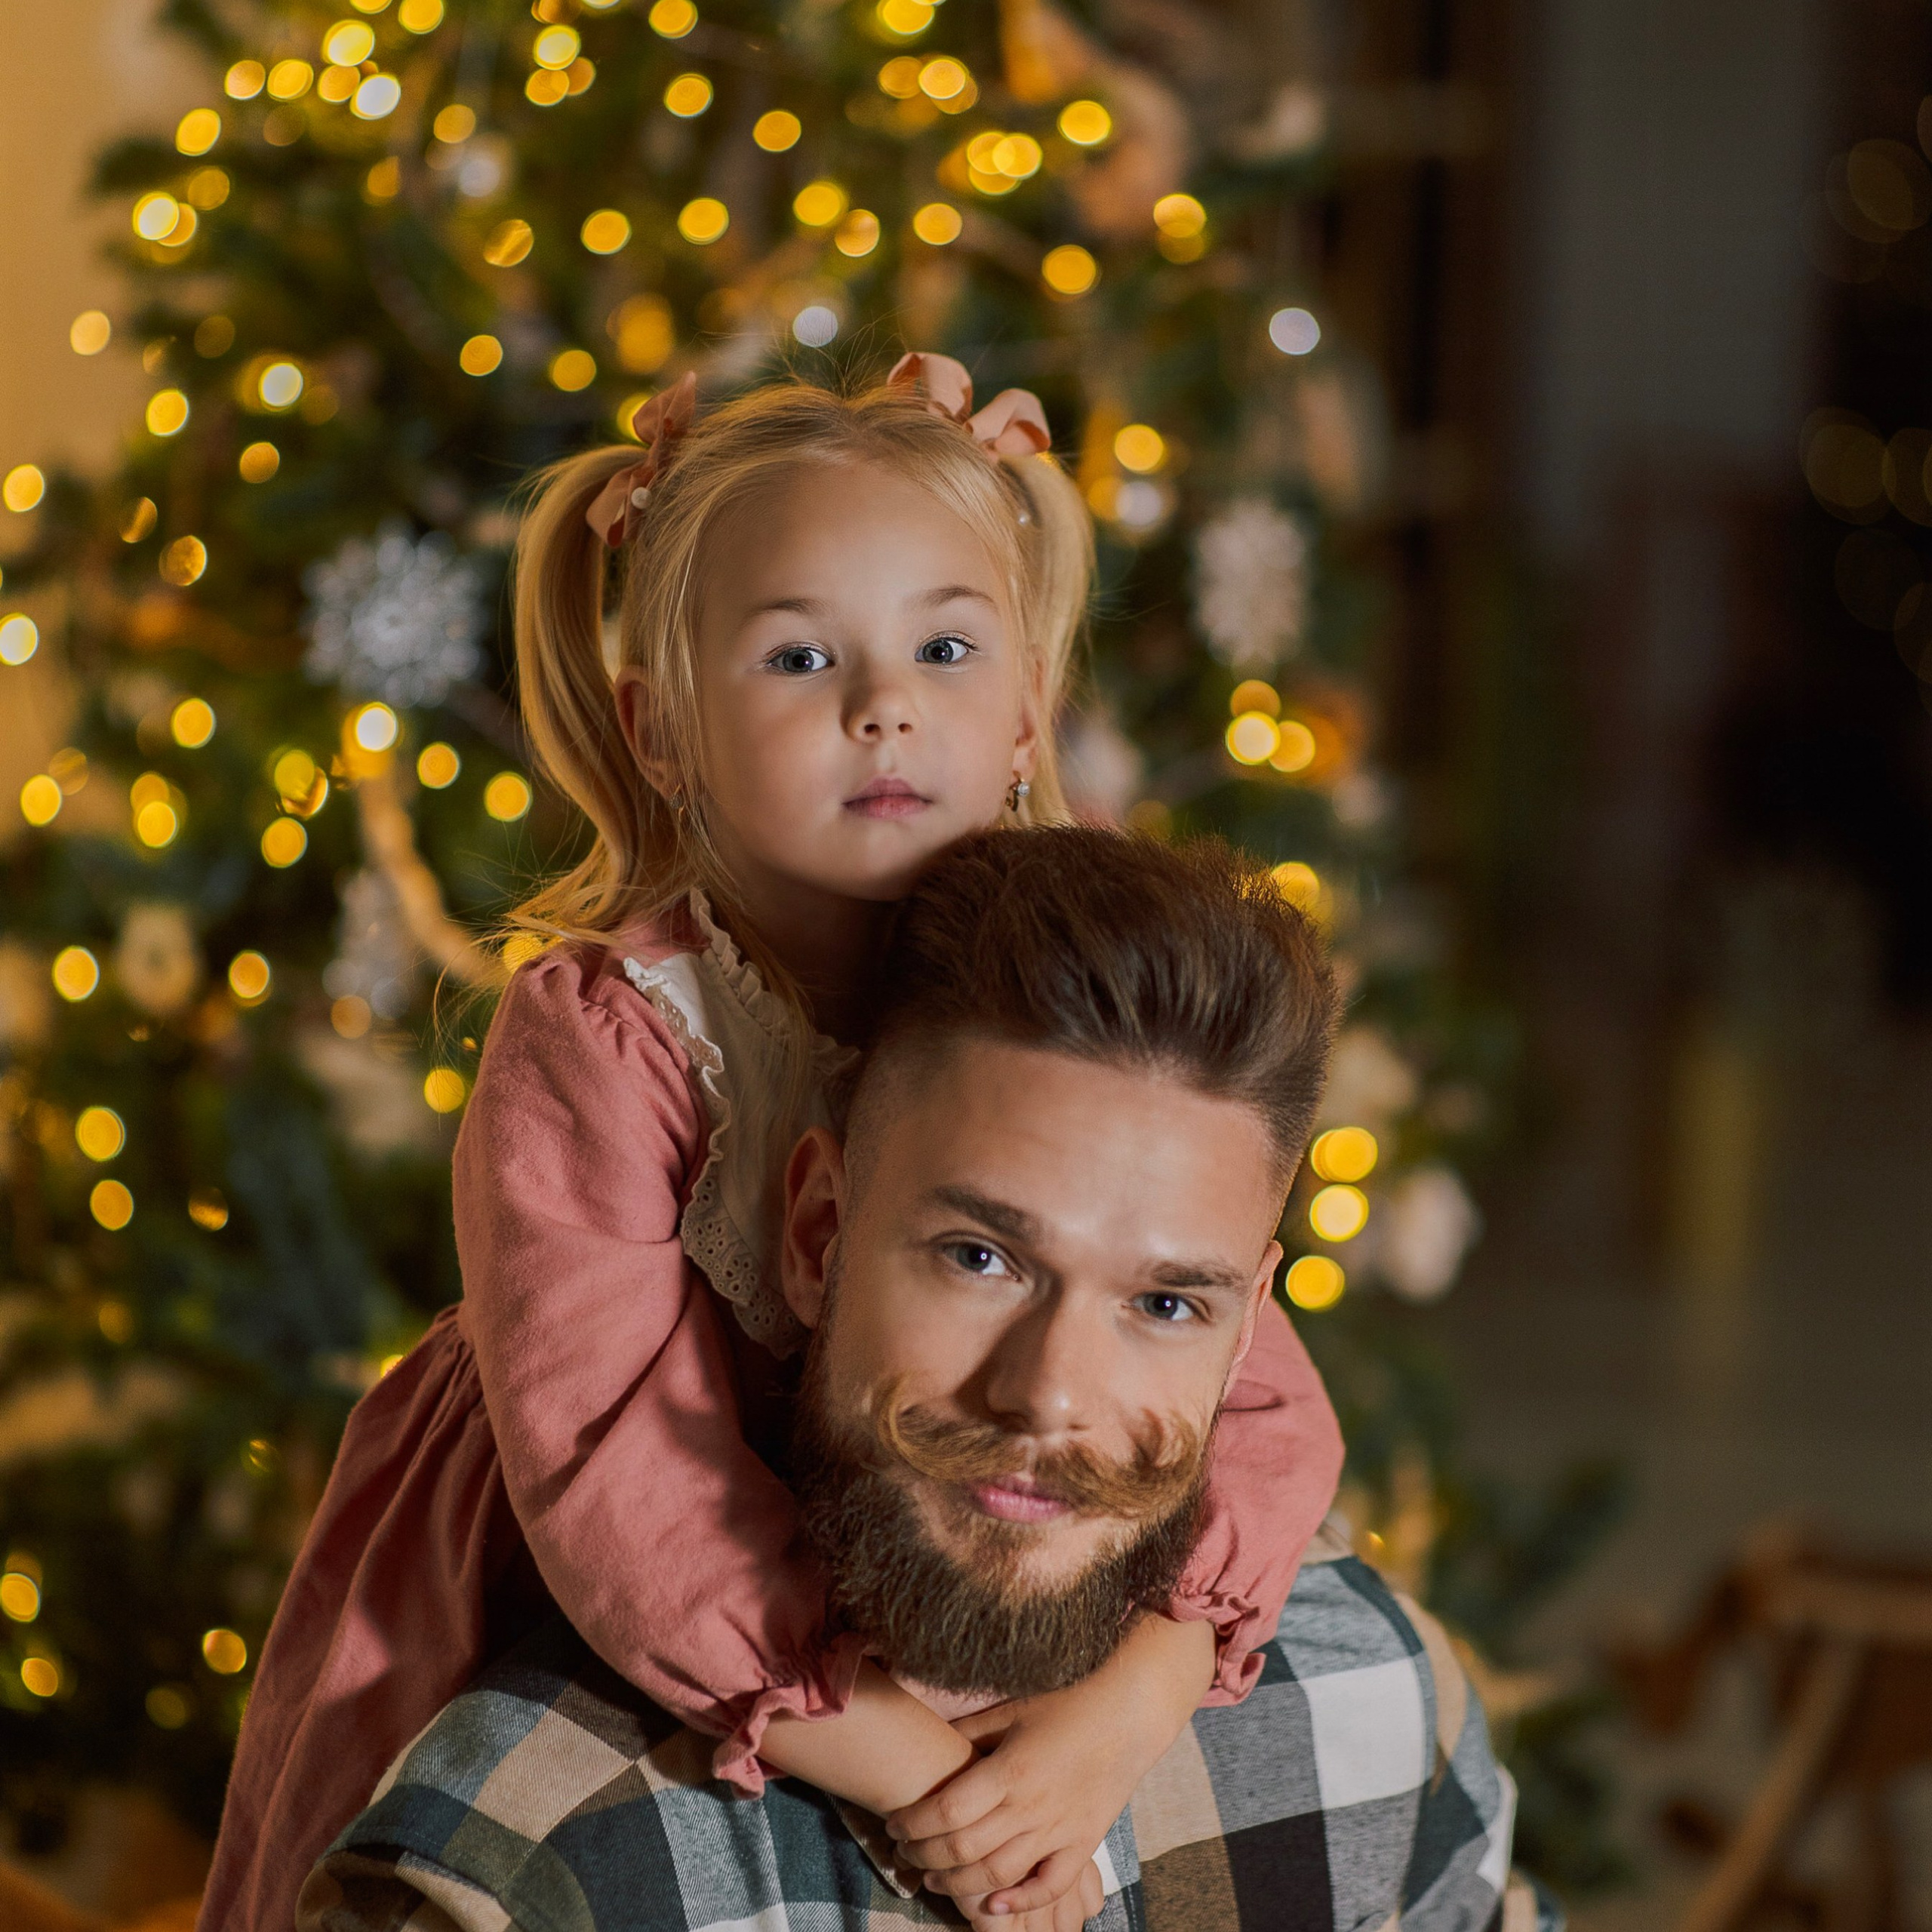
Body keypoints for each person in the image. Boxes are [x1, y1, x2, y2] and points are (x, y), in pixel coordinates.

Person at [202, 360, 1345, 1932]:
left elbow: (1260, 1389)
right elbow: (624, 1477)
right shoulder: (610, 1036)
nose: (883, 703)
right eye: (799, 655)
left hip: (905, 1531)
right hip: (600, 1572)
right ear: (659, 727)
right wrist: (922, 1776)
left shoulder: (1055, 1031)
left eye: (944, 646)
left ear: (1022, 712)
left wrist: (1132, 1696)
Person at [297, 829, 1555, 1932]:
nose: (1048, 1397)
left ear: (1247, 1332)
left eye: (1167, 1303)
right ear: (814, 1236)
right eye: (981, 1257)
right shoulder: (532, 1866)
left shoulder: (1380, 1704)